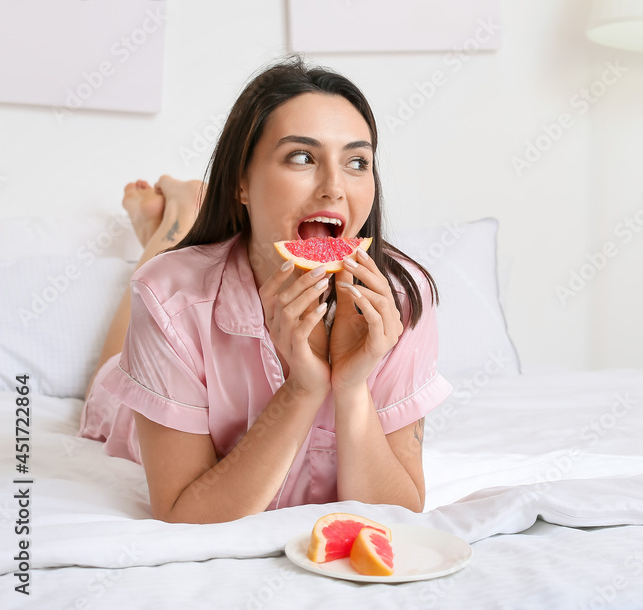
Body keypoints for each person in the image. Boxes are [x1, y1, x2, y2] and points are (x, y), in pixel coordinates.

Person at [79, 58, 452, 524]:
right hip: (143, 391)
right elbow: (182, 513)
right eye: (302, 157)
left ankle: (173, 220)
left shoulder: (401, 300)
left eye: (357, 161)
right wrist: (302, 389)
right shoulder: (166, 296)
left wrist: (351, 388)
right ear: (240, 182)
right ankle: (169, 220)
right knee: (134, 318)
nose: (334, 188)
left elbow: (398, 512)